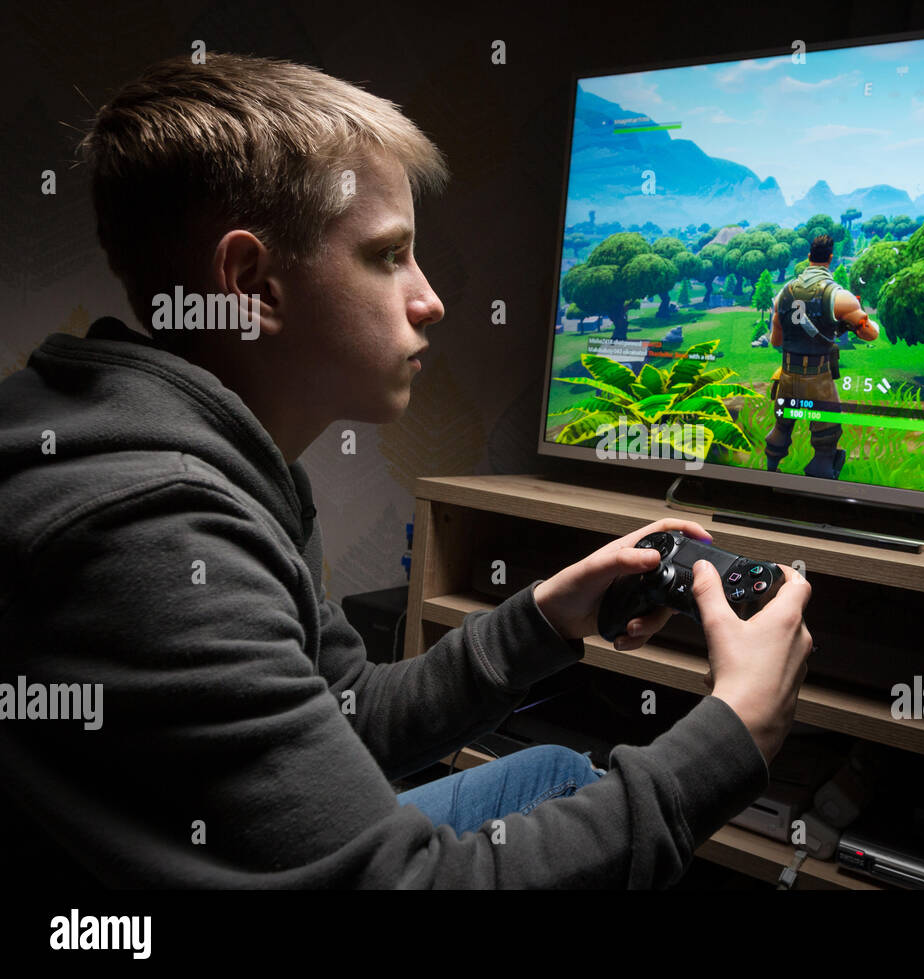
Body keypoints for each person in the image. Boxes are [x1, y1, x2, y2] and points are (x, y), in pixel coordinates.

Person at [0, 53, 813, 888]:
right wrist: (735, 734)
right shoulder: (155, 531)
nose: (431, 299)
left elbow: (349, 708)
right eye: (390, 256)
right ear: (251, 284)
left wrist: (545, 617)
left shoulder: (207, 456)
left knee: (561, 775)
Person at [764, 234, 879, 478]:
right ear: (830, 258)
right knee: (827, 435)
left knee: (782, 427)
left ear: (808, 258)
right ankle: (820, 475)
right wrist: (854, 323)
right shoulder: (839, 297)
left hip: (787, 377)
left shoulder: (783, 294)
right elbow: (871, 334)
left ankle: (770, 470)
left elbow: (775, 341)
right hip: (817, 380)